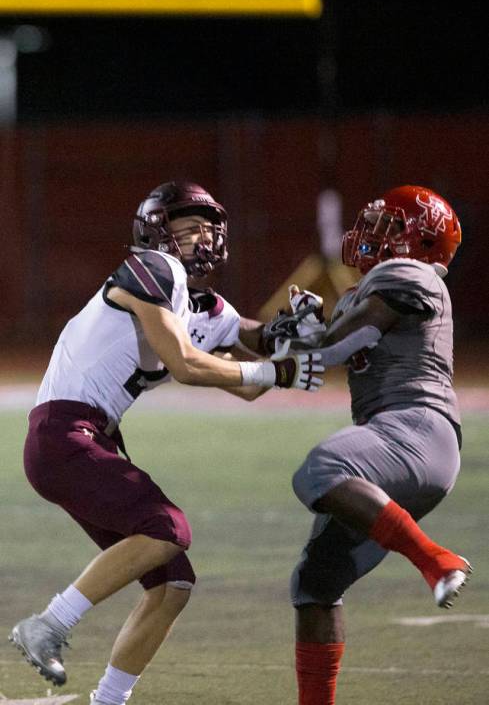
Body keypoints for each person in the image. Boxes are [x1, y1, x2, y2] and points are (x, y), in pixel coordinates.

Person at [9, 181, 324, 703]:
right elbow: (185, 364)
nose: (204, 237)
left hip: (88, 440)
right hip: (65, 433)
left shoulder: (199, 303)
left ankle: (108, 700)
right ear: (158, 228)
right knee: (167, 527)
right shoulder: (154, 269)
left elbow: (250, 345)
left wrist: (292, 335)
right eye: (191, 225)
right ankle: (48, 623)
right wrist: (279, 371)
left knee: (172, 583)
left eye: (210, 227)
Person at [273, 185, 472, 705]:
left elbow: (347, 341)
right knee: (315, 584)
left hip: (414, 428)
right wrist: (310, 329)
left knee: (319, 470)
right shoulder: (377, 284)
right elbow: (337, 339)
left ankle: (435, 559)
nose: (371, 234)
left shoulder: (408, 274)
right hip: (399, 449)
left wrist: (303, 341)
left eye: (388, 226)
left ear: (419, 241)